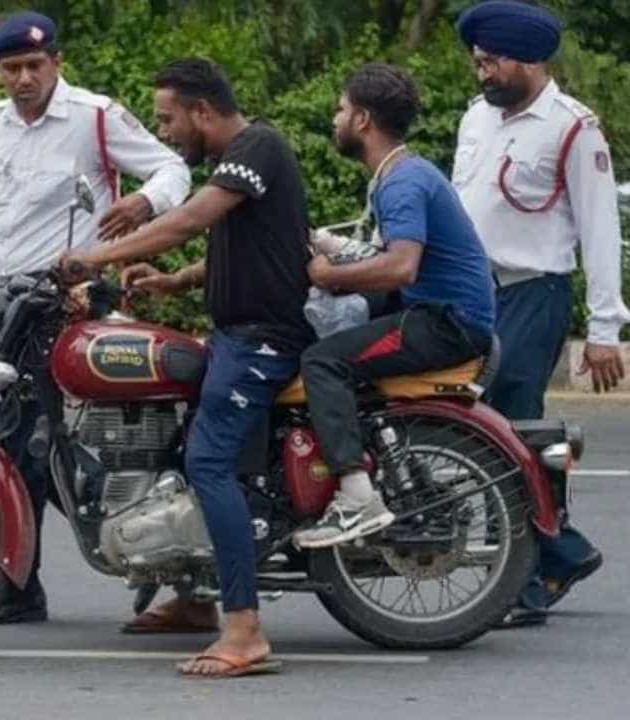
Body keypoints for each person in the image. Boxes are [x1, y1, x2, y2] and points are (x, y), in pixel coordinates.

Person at [63, 57, 313, 677]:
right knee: (177, 448)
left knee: (208, 462)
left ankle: (244, 629)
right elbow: (254, 247)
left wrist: (96, 257)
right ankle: (196, 598)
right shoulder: (240, 158)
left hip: (262, 341)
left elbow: (190, 219)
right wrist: (175, 281)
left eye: (168, 119)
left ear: (202, 111)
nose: (165, 132)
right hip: (235, 336)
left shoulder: (257, 147)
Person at [0, 10, 191, 624]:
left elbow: (174, 170)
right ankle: (140, 553)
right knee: (26, 444)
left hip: (70, 305)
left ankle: (16, 584)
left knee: (22, 443)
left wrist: (142, 203)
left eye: (34, 65)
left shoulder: (95, 116)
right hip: (8, 306)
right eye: (12, 68)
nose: (24, 78)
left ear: (56, 62)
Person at [451, 0, 627, 628]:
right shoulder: (477, 116)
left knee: (512, 429)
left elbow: (600, 230)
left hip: (533, 293)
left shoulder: (574, 128)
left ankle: (527, 579)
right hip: (473, 293)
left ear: (528, 61)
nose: (483, 74)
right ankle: (561, 551)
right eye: (478, 62)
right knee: (476, 426)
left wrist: (604, 331)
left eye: (492, 63)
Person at [291, 63, 497, 549]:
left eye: (341, 109)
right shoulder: (405, 172)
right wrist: (327, 246)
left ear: (362, 119)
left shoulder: (402, 182)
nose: (335, 119)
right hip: (441, 309)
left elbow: (401, 266)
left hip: (447, 323)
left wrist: (327, 275)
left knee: (322, 362)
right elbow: (383, 256)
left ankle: (357, 494)